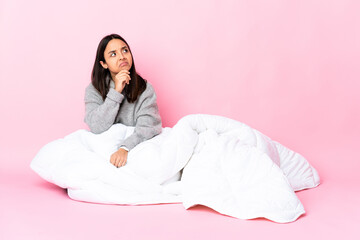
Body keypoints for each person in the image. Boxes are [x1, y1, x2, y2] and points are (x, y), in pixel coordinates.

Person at [84, 34, 162, 168]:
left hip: (134, 145)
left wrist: (124, 149)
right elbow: (96, 126)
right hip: (105, 147)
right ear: (103, 64)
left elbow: (148, 127)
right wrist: (116, 92)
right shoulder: (93, 89)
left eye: (125, 50)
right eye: (113, 54)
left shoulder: (145, 88)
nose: (122, 56)